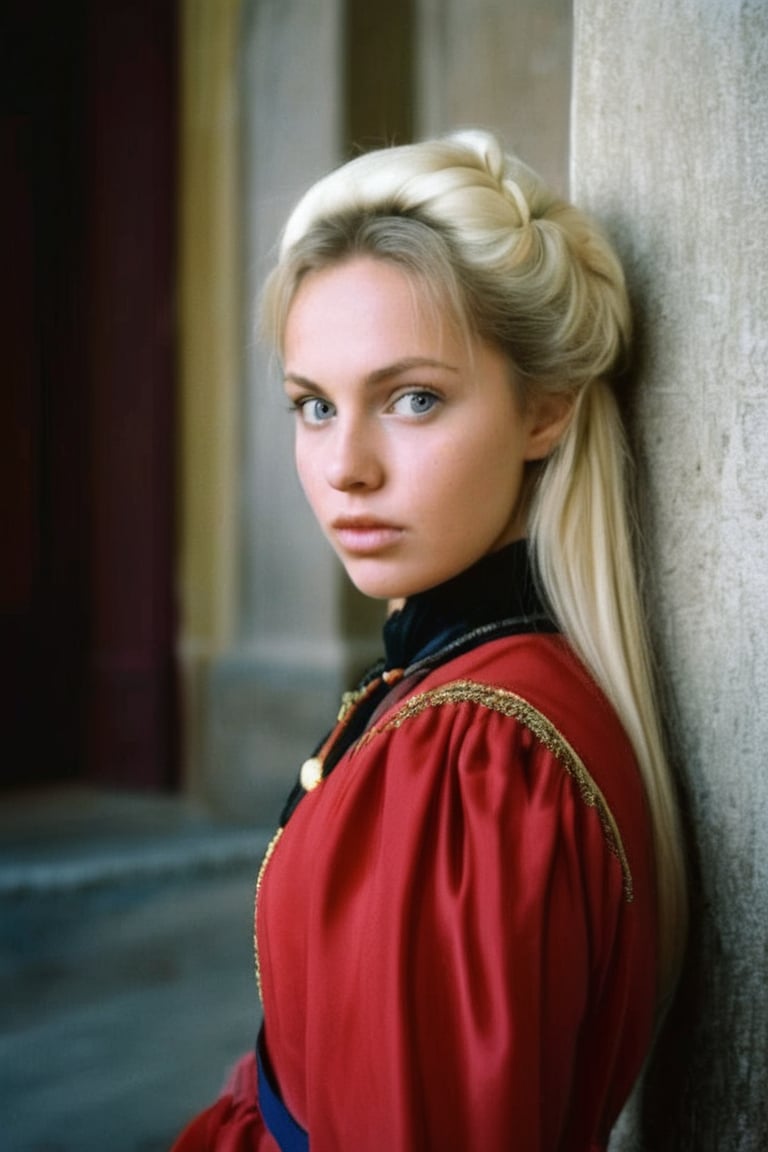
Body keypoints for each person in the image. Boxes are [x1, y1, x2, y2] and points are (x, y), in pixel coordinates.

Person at [172, 130, 687, 1152]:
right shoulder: (472, 691)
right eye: (313, 406)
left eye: (413, 399)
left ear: (543, 409)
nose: (346, 468)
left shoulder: (472, 765)